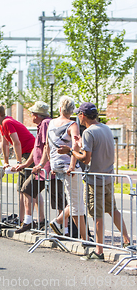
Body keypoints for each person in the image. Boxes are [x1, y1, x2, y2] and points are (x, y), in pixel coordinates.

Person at [59, 102, 131, 260]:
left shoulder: (89, 132)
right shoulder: (106, 128)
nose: (78, 117)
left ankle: (99, 251)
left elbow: (85, 159)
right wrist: (80, 145)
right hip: (108, 177)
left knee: (97, 215)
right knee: (113, 209)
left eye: (79, 114)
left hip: (95, 180)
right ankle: (127, 240)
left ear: (82, 115)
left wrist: (71, 150)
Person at [0, 103, 36, 228]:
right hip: (25, 153)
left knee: (26, 188)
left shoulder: (7, 122)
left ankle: (29, 220)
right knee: (23, 188)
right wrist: (6, 161)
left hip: (29, 152)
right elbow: (4, 143)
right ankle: (22, 219)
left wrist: (19, 163)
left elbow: (16, 143)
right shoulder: (0, 124)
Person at [46, 96, 87, 241]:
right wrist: (71, 165)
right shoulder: (72, 124)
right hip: (69, 166)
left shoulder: (51, 123)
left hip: (56, 165)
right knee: (77, 205)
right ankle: (84, 238)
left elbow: (47, 145)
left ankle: (61, 222)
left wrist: (51, 164)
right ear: (73, 110)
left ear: (59, 108)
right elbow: (76, 145)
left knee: (76, 202)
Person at [13, 101, 52, 233]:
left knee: (58, 199)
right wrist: (25, 164)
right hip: (40, 167)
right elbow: (36, 149)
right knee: (27, 190)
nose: (31, 116)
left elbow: (47, 145)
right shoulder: (41, 125)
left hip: (46, 168)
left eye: (32, 113)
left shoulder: (46, 124)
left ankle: (65, 228)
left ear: (36, 115)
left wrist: (41, 164)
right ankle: (32, 221)